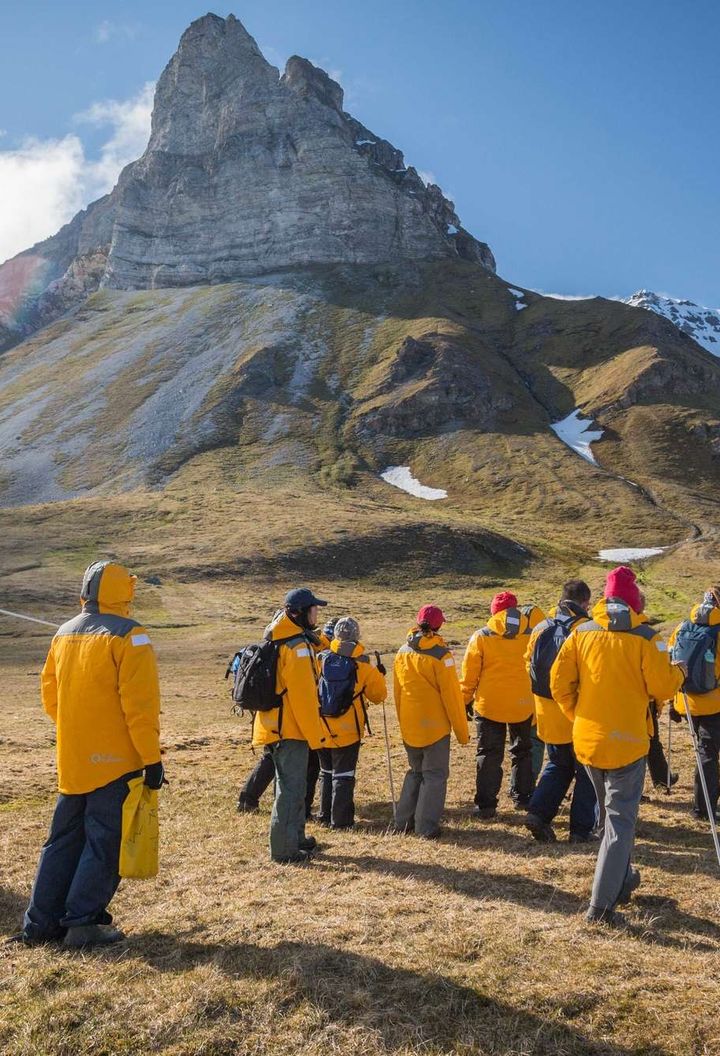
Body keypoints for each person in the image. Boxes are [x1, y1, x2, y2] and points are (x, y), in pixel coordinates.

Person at [11, 561, 163, 948]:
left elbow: (51, 697)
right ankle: (82, 921)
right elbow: (139, 709)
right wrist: (151, 759)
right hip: (118, 763)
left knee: (61, 841)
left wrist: (79, 732)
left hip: (73, 759)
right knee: (105, 843)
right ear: (123, 591)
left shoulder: (63, 634)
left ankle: (40, 924)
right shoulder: (131, 636)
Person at [551, 566, 684, 926]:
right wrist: (680, 672)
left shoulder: (581, 634)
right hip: (628, 743)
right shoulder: (646, 637)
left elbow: (559, 684)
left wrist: (578, 715)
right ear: (635, 599)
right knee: (619, 823)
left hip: (589, 741)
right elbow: (661, 688)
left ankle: (621, 880)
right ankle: (601, 907)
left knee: (610, 820)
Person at [252, 588, 330, 864]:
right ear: (299, 613)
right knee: (291, 789)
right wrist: (317, 736)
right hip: (290, 730)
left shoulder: (284, 638)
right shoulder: (296, 648)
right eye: (313, 609)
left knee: (288, 786)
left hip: (274, 727)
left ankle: (296, 837)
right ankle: (284, 849)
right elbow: (304, 699)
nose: (316, 613)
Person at [524, 580, 597, 843]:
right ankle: (581, 829)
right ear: (585, 602)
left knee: (557, 765)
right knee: (586, 772)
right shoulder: (585, 630)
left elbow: (527, 664)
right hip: (577, 712)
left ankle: (538, 813)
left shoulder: (541, 627)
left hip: (547, 713)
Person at [236, 618, 333, 815]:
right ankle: (294, 808)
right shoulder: (299, 646)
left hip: (271, 718)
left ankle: (250, 797)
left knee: (271, 760)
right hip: (287, 721)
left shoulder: (278, 642)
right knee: (285, 763)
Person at [461, 592, 545, 818]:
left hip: (489, 705)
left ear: (494, 612)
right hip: (523, 704)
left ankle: (486, 805)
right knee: (523, 751)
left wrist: (465, 699)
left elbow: (470, 675)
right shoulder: (532, 635)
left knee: (489, 754)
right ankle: (523, 797)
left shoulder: (481, 636)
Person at [393, 605, 469, 838]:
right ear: (439, 625)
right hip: (435, 728)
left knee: (415, 771)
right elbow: (453, 698)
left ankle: (402, 822)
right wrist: (462, 733)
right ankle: (426, 827)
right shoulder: (441, 656)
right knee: (435, 775)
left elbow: (397, 692)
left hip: (410, 725)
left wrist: (403, 721)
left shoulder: (402, 651)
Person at [316, 616, 387, 828]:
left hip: (321, 726)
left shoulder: (320, 659)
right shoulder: (362, 665)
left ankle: (324, 815)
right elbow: (379, 696)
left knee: (326, 772)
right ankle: (341, 821)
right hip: (348, 729)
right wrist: (379, 676)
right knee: (344, 775)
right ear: (357, 637)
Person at [668, 587, 720, 821]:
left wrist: (672, 699)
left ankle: (702, 805)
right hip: (714, 702)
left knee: (703, 751)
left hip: (687, 700)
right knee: (708, 753)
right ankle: (704, 808)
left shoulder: (682, 627)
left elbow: (671, 660)